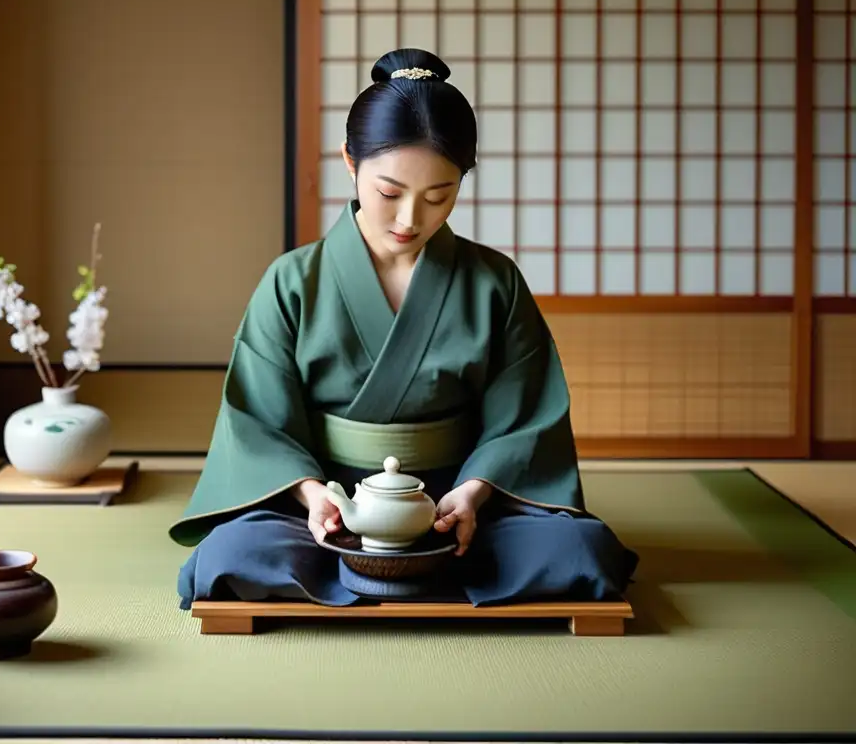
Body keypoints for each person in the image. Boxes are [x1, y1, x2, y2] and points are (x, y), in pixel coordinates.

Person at [169, 48, 638, 609]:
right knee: (230, 557)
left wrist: (471, 494)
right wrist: (313, 495)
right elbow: (257, 422)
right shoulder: (293, 280)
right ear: (350, 160)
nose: (410, 219)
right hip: (330, 513)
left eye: (439, 196)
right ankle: (387, 569)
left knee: (581, 551)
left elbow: (524, 419)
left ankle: (419, 563)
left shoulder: (494, 282)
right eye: (390, 192)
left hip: (455, 509)